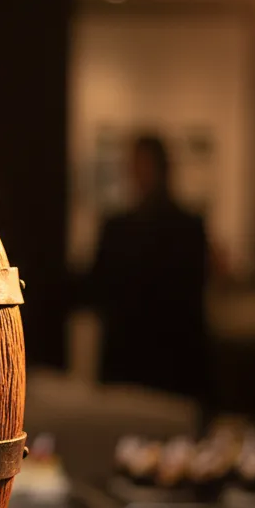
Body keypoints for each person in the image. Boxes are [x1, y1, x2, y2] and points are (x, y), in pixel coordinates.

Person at [82, 133, 211, 404]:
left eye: (142, 164)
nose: (137, 173)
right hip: (132, 363)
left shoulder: (186, 228)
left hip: (170, 363)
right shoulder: (118, 228)